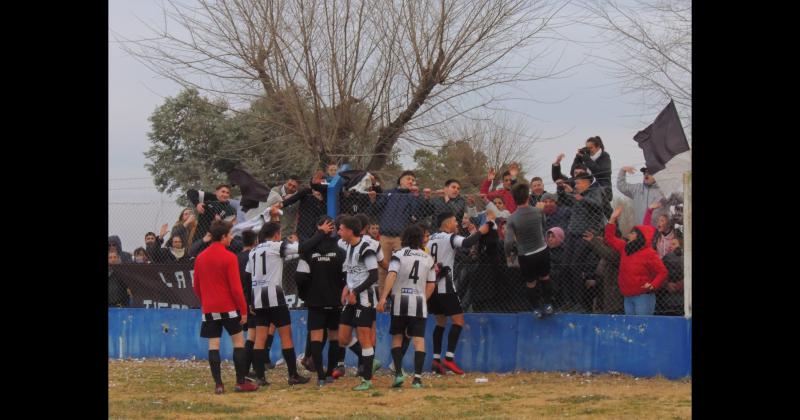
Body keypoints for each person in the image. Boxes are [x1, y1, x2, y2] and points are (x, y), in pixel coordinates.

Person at [246, 220, 331, 386]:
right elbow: (303, 248)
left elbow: (248, 275)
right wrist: (321, 232)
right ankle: (293, 375)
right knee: (286, 336)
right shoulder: (277, 246)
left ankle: (260, 377)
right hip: (275, 298)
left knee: (260, 338)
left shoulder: (253, 251)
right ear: (276, 234)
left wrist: (250, 300)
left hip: (258, 298)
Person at [192, 220, 258, 394]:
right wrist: (243, 310)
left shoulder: (200, 257)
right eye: (229, 235)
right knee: (238, 342)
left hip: (209, 309)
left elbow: (196, 286)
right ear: (222, 237)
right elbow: (236, 289)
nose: (231, 238)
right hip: (229, 308)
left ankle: (219, 385)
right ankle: (240, 382)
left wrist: (205, 301)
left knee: (214, 345)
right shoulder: (230, 257)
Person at [427, 211, 491, 375]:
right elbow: (468, 242)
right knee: (458, 321)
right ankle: (448, 359)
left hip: (431, 287)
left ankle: (435, 359)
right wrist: (485, 228)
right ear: (448, 224)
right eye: (455, 222)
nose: (456, 224)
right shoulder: (450, 237)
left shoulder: (431, 238)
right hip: (445, 286)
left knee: (440, 323)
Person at [377, 224, 437, 389]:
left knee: (397, 336)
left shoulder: (398, 254)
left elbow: (392, 274)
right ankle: (417, 379)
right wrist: (422, 299)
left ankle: (398, 374)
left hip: (399, 302)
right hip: (418, 302)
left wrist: (383, 297)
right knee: (419, 340)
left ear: (404, 238)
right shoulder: (428, 258)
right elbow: (431, 284)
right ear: (420, 239)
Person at [295, 215, 346, 386]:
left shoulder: (308, 253)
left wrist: (305, 295)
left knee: (316, 339)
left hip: (315, 301)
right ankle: (330, 373)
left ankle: (321, 377)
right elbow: (345, 278)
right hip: (335, 301)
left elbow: (299, 278)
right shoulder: (341, 252)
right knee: (334, 338)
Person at [336, 216, 380, 391]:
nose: (339, 232)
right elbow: (353, 273)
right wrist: (347, 287)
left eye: (341, 229)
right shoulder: (347, 247)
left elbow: (374, 275)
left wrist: (355, 291)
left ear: (349, 231)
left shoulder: (366, 249)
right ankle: (370, 360)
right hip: (352, 298)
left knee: (364, 338)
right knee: (343, 337)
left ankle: (367, 379)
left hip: (365, 300)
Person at [604, 206, 668, 315]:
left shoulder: (649, 253)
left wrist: (653, 285)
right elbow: (609, 238)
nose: (629, 234)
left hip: (643, 296)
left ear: (640, 237)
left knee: (643, 326)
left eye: (633, 233)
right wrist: (612, 219)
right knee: (632, 326)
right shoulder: (625, 248)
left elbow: (663, 272)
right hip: (627, 296)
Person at [504, 183, 552, 318]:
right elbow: (544, 226)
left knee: (531, 283)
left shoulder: (512, 218)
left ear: (514, 199)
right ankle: (548, 304)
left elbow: (508, 241)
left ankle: (536, 309)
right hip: (542, 250)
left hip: (526, 255)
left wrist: (508, 254)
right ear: (528, 196)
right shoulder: (538, 211)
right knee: (545, 277)